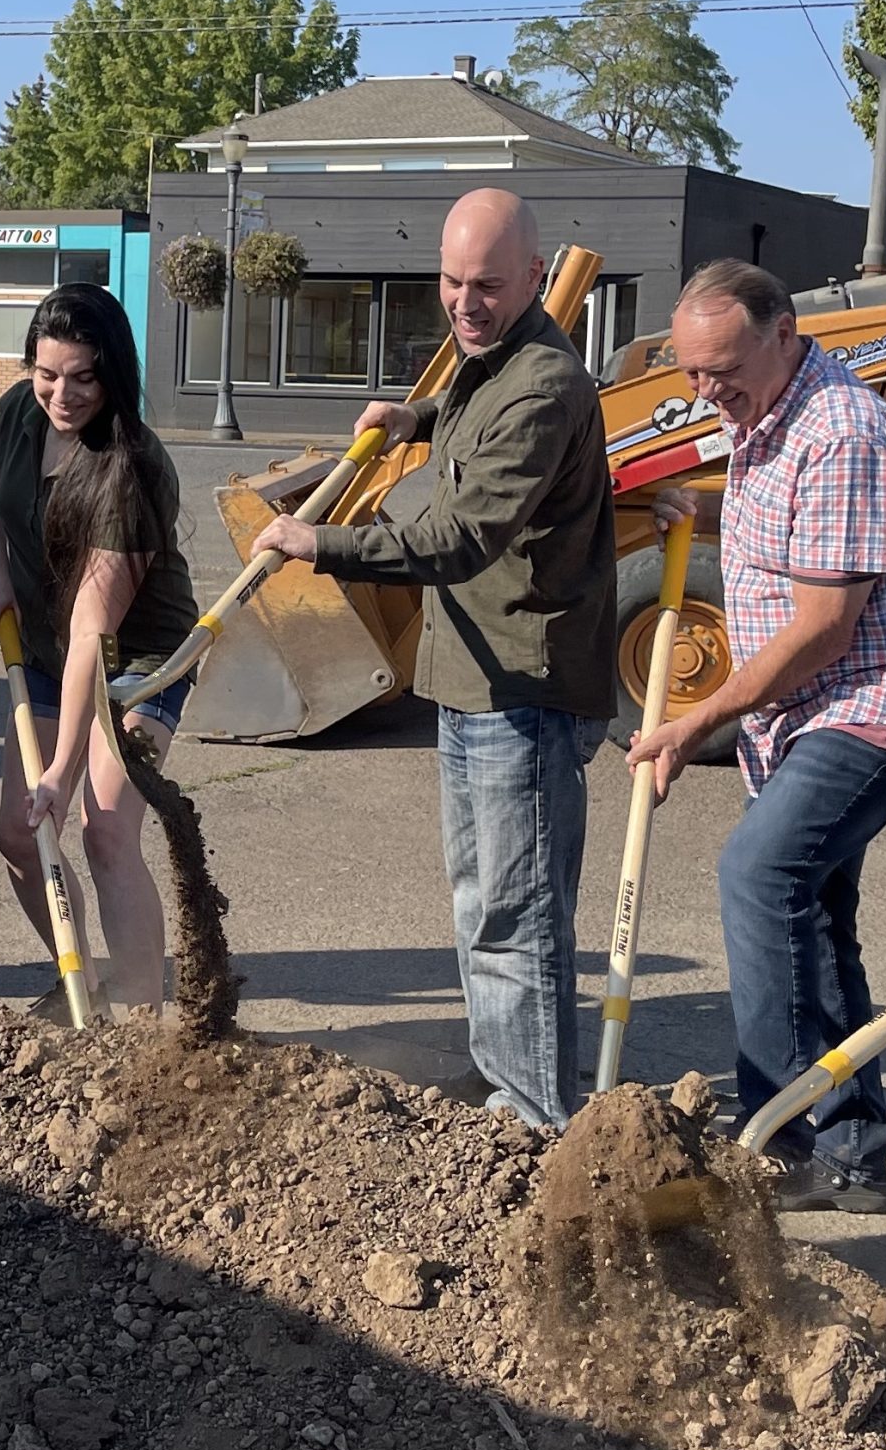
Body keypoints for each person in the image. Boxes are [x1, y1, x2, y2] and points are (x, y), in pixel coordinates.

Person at [252, 188, 617, 1128]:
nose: (464, 300)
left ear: (535, 278)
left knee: (517, 912)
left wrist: (320, 544)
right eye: (451, 281)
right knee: (480, 903)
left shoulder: (545, 384)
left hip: (524, 690)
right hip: (469, 678)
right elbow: (464, 438)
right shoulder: (483, 365)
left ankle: (536, 1115)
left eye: (487, 284)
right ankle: (504, 1077)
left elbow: (459, 537)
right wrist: (416, 424)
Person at [629, 262, 886, 1214]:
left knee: (760, 872)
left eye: (723, 368)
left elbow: (825, 625)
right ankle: (853, 1155)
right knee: (813, 914)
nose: (707, 390)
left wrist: (695, 720)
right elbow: (783, 543)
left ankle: (772, 1140)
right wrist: (700, 508)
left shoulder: (842, 434)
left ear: (785, 330)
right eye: (691, 373)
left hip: (881, 697)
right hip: (813, 706)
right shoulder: (764, 416)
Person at [0, 284, 199, 1011]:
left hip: (136, 661)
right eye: (46, 373)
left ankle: (139, 1012)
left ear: (112, 374)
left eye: (82, 377)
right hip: (42, 645)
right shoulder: (15, 413)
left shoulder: (132, 468)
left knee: (101, 830)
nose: (60, 394)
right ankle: (86, 984)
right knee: (19, 833)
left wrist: (62, 769)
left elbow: (96, 634)